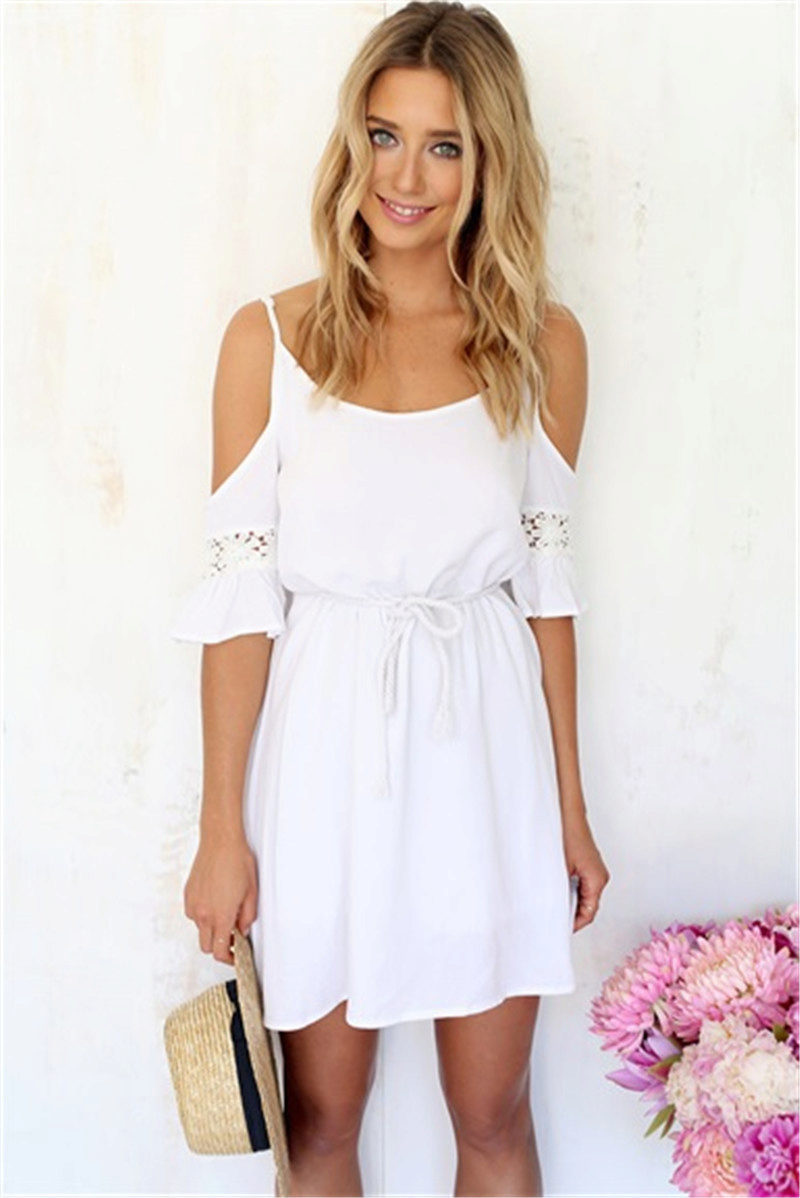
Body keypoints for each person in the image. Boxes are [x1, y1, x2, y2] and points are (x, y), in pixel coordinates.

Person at [171, 2, 610, 1194]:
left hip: (485, 756)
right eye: (383, 135)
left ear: (488, 163)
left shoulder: (539, 344)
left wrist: (568, 811)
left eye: (443, 146)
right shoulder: (268, 340)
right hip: (322, 757)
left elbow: (544, 588)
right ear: (349, 140)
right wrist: (221, 829)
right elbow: (238, 600)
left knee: (493, 1114)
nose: (403, 178)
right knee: (319, 1121)